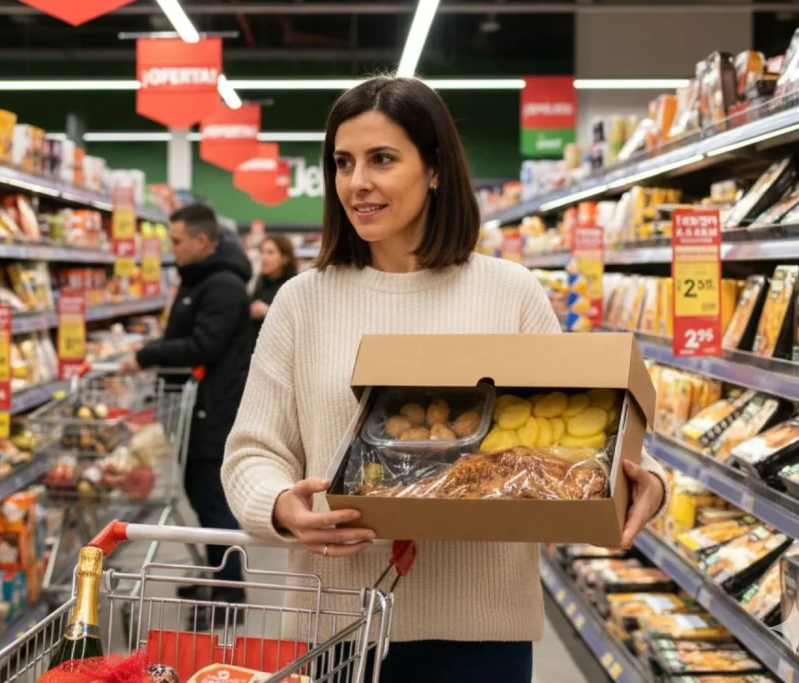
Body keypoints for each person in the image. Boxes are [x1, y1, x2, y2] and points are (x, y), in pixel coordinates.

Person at [221, 77, 669, 682]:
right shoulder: (301, 302)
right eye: (343, 163)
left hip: (482, 634)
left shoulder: (509, 293)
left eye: (382, 159)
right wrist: (281, 507)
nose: (358, 183)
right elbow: (252, 451)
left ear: (434, 169)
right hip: (336, 627)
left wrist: (646, 485)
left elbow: (585, 432)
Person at [119, 202, 252, 624]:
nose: (172, 248)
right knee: (202, 500)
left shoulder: (223, 286)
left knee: (213, 506)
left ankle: (230, 599)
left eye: (177, 241)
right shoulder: (200, 281)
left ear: (202, 240)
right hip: (196, 408)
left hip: (210, 411)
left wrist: (146, 354)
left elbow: (203, 346)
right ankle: (218, 582)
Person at [249, 235, 298, 350]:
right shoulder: (261, 282)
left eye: (270, 253)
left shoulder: (293, 285)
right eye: (262, 252)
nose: (264, 258)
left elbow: (296, 322)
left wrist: (267, 311)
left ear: (285, 258)